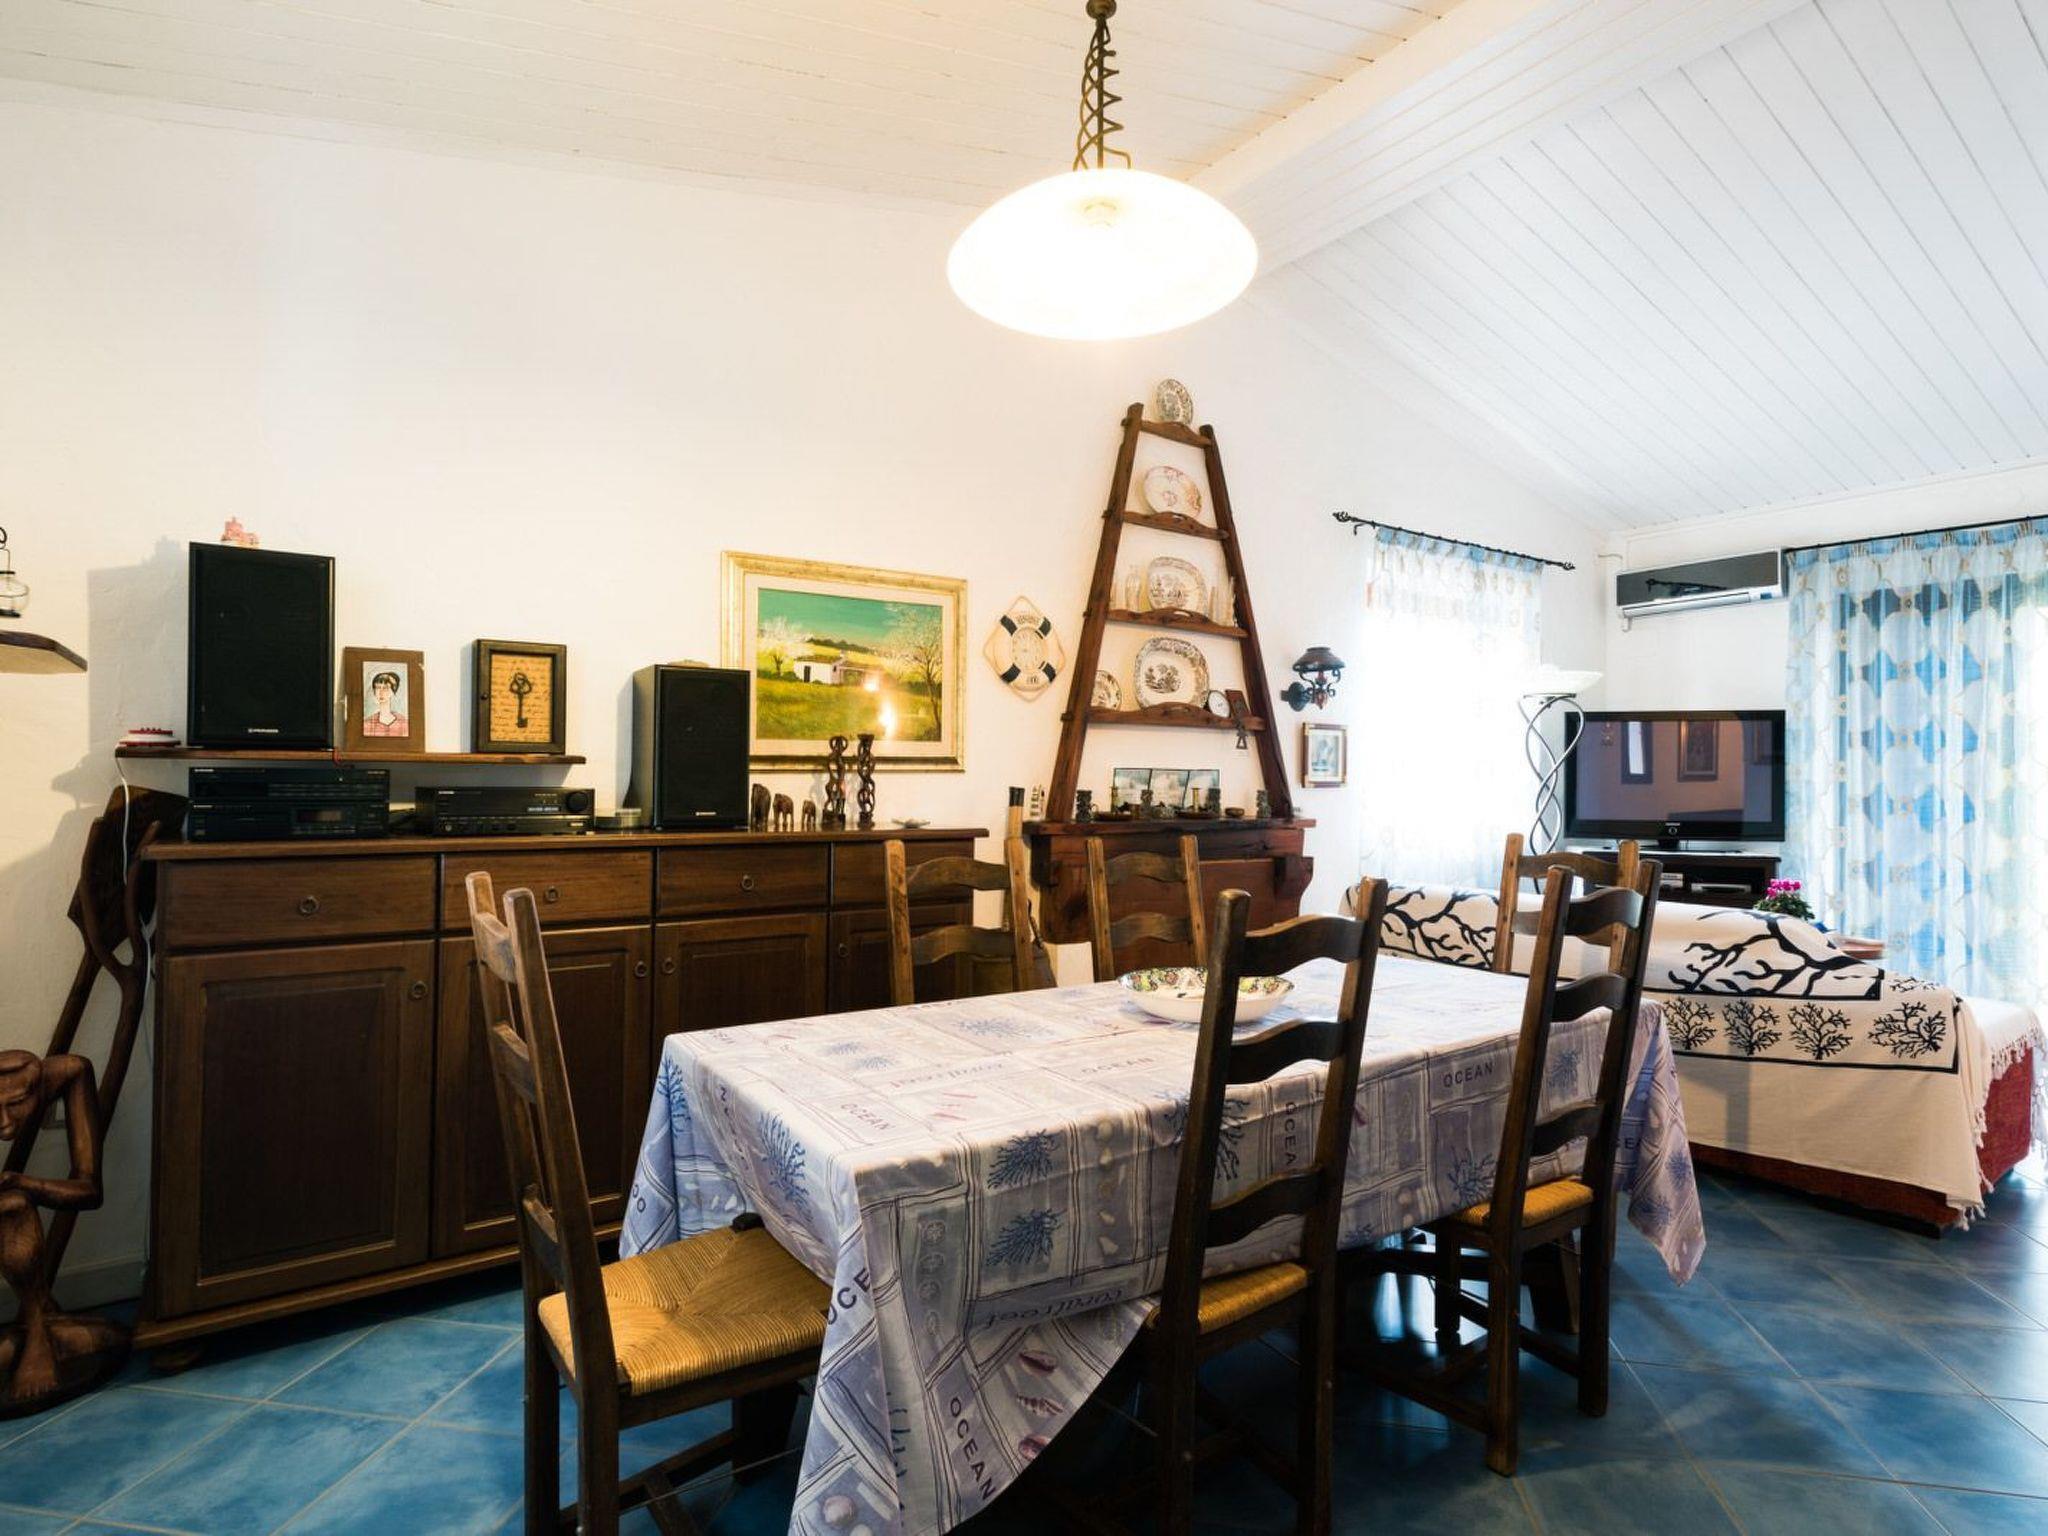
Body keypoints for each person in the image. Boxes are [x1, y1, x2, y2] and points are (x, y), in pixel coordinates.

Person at [364, 668, 409, 737]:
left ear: (393, 692)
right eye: (378, 687)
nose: (381, 692)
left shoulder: (403, 723)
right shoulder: (367, 723)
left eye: (385, 688)